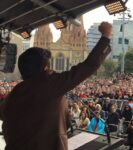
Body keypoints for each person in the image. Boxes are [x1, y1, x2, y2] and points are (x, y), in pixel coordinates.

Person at [1, 22, 112, 150]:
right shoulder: (49, 84)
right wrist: (106, 36)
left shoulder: (14, 93)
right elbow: (87, 67)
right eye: (49, 67)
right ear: (44, 68)